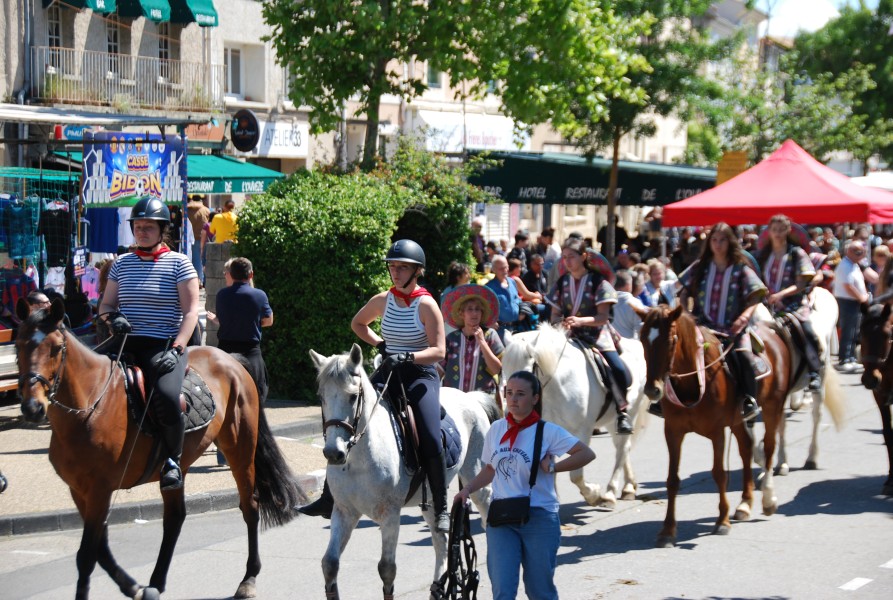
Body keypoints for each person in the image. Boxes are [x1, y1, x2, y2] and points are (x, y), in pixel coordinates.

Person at [301, 240, 451, 533]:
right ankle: (328, 497)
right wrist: (381, 344)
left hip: (420, 375)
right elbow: (358, 324)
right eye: (393, 266)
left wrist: (407, 355)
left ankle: (441, 505)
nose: (395, 272)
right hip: (388, 370)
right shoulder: (383, 299)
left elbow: (440, 351)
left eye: (402, 267)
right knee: (349, 419)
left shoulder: (427, 304)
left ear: (416, 271)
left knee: (431, 437)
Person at [453, 370, 595, 600]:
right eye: (509, 393)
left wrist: (553, 467)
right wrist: (467, 489)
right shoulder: (497, 429)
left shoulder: (548, 431)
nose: (513, 399)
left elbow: (586, 453)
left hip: (539, 516)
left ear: (535, 398)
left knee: (539, 591)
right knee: (503, 591)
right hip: (501, 517)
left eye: (520, 394)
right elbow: (490, 469)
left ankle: (619, 407)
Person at [99, 197, 199, 491]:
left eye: (148, 227)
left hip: (163, 344)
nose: (141, 232)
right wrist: (111, 319)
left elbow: (191, 311)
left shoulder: (179, 264)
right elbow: (105, 304)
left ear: (162, 229)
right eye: (137, 226)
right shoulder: (121, 265)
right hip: (125, 342)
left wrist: (178, 348)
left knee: (167, 397)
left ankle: (172, 461)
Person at [674, 222, 766, 421]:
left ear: (730, 242)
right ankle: (667, 399)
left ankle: (749, 399)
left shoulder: (741, 269)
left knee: (744, 357)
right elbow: (682, 292)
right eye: (714, 240)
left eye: (723, 240)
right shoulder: (700, 267)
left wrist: (743, 318)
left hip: (732, 327)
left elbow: (755, 297)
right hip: (702, 326)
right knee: (676, 351)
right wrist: (686, 312)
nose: (718, 244)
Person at [548, 238, 634, 435]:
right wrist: (560, 323)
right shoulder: (561, 283)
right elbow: (554, 315)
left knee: (617, 368)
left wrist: (580, 321)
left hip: (596, 334)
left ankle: (622, 412)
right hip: (567, 335)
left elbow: (603, 317)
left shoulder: (598, 282)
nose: (567, 261)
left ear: (584, 256)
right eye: (565, 257)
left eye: (572, 257)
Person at [756, 215, 823, 390]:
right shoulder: (763, 255)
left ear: (788, 230)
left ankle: (814, 371)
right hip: (766, 305)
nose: (777, 234)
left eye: (781, 229)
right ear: (769, 232)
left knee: (807, 331)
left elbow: (801, 283)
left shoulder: (796, 253)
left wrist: (780, 295)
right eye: (774, 230)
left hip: (793, 304)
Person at [206, 257, 273, 405]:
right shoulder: (259, 295)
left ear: (231, 274)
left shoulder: (222, 295)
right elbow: (269, 321)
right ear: (251, 275)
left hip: (225, 352)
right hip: (250, 353)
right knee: (257, 397)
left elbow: (224, 319)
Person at [439, 284, 503, 394]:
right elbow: (439, 370)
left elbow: (497, 370)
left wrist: (482, 342)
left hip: (483, 401)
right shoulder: (451, 339)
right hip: (455, 401)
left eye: (478, 309)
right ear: (461, 313)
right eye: (470, 309)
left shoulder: (490, 335)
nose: (474, 313)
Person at [833, 240, 871, 372]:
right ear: (849, 251)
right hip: (847, 301)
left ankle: (851, 358)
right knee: (848, 331)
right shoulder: (845, 266)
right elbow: (848, 286)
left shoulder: (853, 265)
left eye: (862, 252)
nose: (860, 254)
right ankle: (844, 359)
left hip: (853, 302)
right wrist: (861, 297)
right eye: (857, 252)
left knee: (854, 331)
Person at [486, 255, 522, 342]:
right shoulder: (488, 288)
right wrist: (488, 322)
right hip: (500, 330)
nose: (505, 271)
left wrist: (523, 311)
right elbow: (482, 309)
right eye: (501, 269)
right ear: (494, 270)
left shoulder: (512, 282)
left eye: (506, 267)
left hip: (517, 328)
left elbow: (517, 300)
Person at [613, 270, 647, 340]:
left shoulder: (605, 302)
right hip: (628, 346)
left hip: (609, 344)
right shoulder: (635, 303)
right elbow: (640, 329)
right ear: (628, 285)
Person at [186, 195, 210, 286]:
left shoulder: (186, 209)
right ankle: (199, 281)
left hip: (187, 238)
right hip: (201, 237)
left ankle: (189, 280)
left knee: (188, 260)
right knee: (199, 261)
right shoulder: (206, 210)